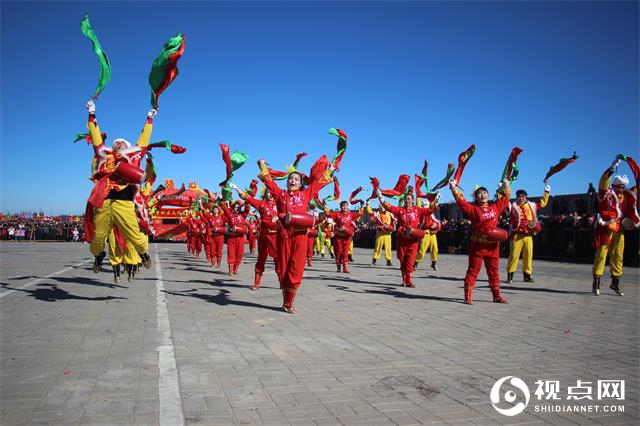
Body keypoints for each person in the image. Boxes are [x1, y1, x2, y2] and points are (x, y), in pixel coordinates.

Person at [83, 100, 154, 274]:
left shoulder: (134, 156)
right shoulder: (103, 154)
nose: (119, 144)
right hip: (104, 201)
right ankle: (99, 255)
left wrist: (149, 119)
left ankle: (143, 253)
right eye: (116, 143)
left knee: (134, 235)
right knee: (98, 239)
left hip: (124, 201)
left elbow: (143, 140)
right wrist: (92, 113)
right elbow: (96, 137)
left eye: (122, 143)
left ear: (128, 147)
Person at [257, 158, 334, 313]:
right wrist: (262, 165)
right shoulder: (280, 195)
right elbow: (269, 182)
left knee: (296, 269)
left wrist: (330, 170)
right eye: (290, 178)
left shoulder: (306, 194)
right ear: (287, 182)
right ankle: (286, 302)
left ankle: (290, 303)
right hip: (284, 236)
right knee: (284, 269)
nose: (292, 180)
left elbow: (319, 184)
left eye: (296, 179)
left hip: (300, 237)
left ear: (300, 184)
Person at [449, 179, 511, 304]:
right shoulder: (473, 209)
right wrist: (454, 188)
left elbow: (505, 198)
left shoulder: (495, 207)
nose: (482, 195)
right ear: (476, 197)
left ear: (488, 195)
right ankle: (468, 297)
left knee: (494, 272)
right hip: (478, 247)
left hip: (493, 247)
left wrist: (506, 185)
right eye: (479, 194)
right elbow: (461, 202)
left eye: (484, 193)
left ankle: (497, 296)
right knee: (473, 271)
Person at [591, 158, 639, 296]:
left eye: (622, 187)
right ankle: (596, 283)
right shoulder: (606, 194)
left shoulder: (628, 197)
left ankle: (615, 284)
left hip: (620, 230)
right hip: (606, 230)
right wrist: (612, 168)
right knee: (601, 256)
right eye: (618, 186)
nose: (620, 189)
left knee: (618, 257)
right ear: (614, 185)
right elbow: (602, 183)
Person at [377, 192, 434, 287]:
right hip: (402, 239)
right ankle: (404, 280)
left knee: (410, 260)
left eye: (409, 199)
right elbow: (389, 207)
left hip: (413, 240)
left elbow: (430, 210)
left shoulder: (418, 210)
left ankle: (409, 281)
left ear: (412, 200)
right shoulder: (400, 210)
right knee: (402, 259)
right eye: (406, 199)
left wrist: (436, 201)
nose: (407, 200)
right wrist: (380, 197)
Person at [230, 185, 279, 289]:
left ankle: (282, 283)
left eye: (271, 193)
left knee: (278, 260)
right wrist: (237, 188)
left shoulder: (280, 204)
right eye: (267, 192)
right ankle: (256, 283)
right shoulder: (261, 204)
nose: (270, 195)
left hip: (276, 236)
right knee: (261, 259)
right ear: (264, 194)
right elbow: (248, 198)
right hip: (264, 237)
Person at [505, 184, 550, 283]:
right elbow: (502, 202)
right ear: (516, 198)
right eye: (519, 197)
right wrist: (503, 188)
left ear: (526, 197)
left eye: (523, 196)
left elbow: (543, 203)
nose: (521, 198)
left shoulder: (531, 205)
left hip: (529, 235)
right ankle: (510, 276)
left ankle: (527, 276)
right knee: (513, 256)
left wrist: (546, 191)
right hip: (516, 235)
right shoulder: (512, 206)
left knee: (528, 255)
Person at [324, 201, 365, 273]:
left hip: (346, 237)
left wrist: (362, 205)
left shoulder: (351, 215)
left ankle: (345, 268)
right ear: (340, 207)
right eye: (342, 206)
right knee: (338, 252)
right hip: (338, 237)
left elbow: (360, 213)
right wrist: (324, 205)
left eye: (345, 205)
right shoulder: (337, 214)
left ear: (347, 206)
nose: (344, 207)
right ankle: (338, 266)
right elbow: (328, 214)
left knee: (345, 252)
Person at [220, 199, 249, 275]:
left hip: (240, 238)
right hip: (231, 238)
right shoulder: (230, 214)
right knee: (231, 254)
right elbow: (224, 208)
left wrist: (247, 203)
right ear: (233, 207)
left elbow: (247, 209)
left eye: (239, 207)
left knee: (240, 254)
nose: (237, 208)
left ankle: (236, 268)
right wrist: (222, 199)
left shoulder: (243, 215)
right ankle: (231, 270)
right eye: (236, 207)